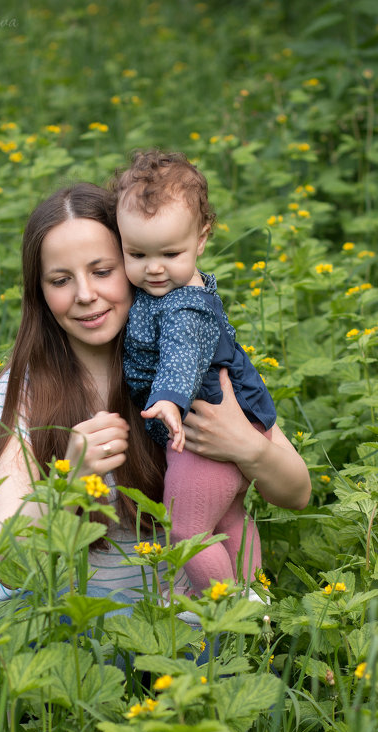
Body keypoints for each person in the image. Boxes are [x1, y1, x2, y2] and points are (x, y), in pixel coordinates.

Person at [0, 181, 310, 611]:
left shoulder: (185, 359)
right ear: (40, 292)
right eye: (61, 280)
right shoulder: (25, 389)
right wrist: (68, 481)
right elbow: (4, 560)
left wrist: (247, 448)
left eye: (102, 271)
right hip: (72, 630)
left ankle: (239, 607)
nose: (84, 295)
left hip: (178, 622)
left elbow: (297, 493)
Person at [111, 149, 293, 594]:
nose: (153, 269)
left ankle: (229, 610)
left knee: (188, 531)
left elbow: (181, 357)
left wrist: (169, 402)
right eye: (135, 253)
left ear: (202, 238)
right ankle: (255, 594)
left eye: (170, 252)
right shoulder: (180, 285)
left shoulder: (186, 310)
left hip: (204, 433)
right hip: (239, 422)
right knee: (228, 516)